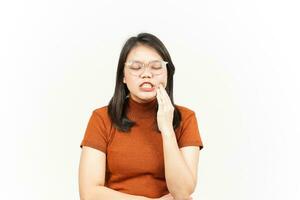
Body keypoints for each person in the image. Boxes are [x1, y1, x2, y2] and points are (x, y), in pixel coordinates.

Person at [78, 32, 204, 200]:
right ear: (123, 76)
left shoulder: (186, 118)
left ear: (167, 73)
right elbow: (89, 193)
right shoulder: (102, 118)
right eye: (136, 67)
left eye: (156, 66)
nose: (147, 74)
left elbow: (182, 192)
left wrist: (167, 130)